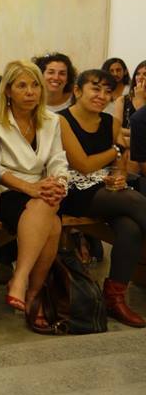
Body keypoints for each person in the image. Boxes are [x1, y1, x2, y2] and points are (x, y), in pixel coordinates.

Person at [59, 69, 146, 327]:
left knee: (130, 228)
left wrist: (118, 174)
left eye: (108, 91)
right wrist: (114, 152)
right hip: (73, 189)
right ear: (77, 91)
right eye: (95, 89)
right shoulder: (62, 120)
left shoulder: (110, 122)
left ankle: (114, 298)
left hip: (105, 189)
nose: (102, 95)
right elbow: (83, 165)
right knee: (134, 201)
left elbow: (118, 163)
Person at [0, 61, 67, 320]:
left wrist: (58, 184)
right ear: (8, 90)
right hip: (5, 189)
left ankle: (22, 283)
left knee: (48, 210)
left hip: (42, 188)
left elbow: (58, 160)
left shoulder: (51, 120)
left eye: (35, 86)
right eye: (22, 86)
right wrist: (29, 188)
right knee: (52, 224)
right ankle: (31, 289)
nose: (30, 92)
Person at [117, 60, 146, 129]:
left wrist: (141, 103)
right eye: (137, 74)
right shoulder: (122, 100)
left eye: (145, 74)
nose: (140, 77)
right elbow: (117, 128)